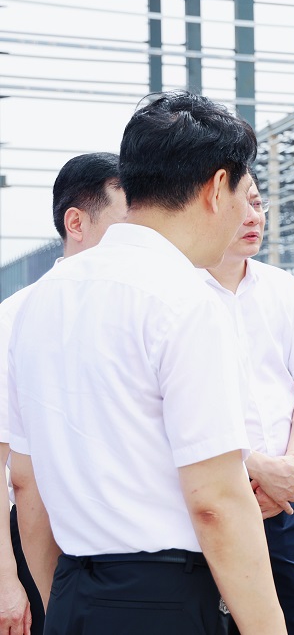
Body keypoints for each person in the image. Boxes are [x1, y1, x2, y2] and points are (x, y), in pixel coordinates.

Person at [7, 91, 286, 635]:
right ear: (217, 188)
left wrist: (59, 603)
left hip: (73, 593)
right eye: (242, 194)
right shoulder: (186, 299)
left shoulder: (40, 300)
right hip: (164, 599)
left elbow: (26, 479)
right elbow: (216, 502)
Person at [0, 152, 128, 635]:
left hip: (125, 558)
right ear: (76, 223)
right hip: (41, 548)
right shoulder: (17, 317)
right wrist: (8, 582)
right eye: (127, 223)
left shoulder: (139, 311)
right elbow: (10, 469)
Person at [204, 180, 294, 635]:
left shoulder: (281, 287)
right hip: (212, 498)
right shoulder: (178, 292)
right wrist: (254, 467)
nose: (253, 216)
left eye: (258, 203)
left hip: (286, 501)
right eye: (241, 204)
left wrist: (287, 468)